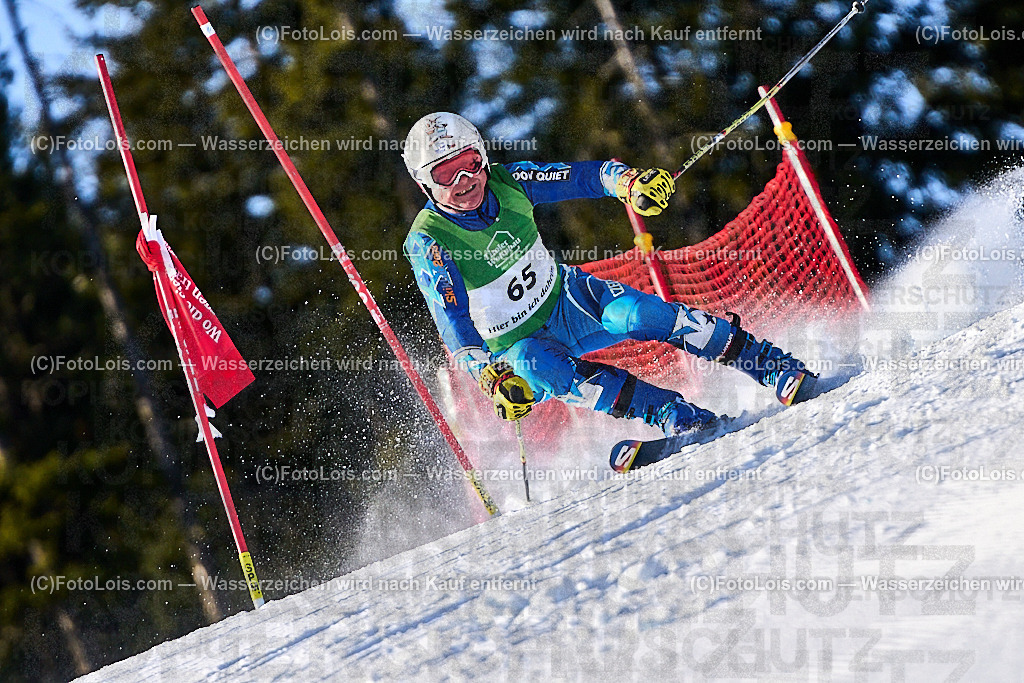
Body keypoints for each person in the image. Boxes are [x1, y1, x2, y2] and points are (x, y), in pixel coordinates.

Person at [401, 112, 815, 440]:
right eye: (446, 174)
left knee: (639, 315)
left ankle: (771, 364)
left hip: (568, 302)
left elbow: (584, 176)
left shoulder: (510, 182)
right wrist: (488, 376)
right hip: (518, 346)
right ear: (424, 185)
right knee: (535, 364)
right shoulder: (429, 240)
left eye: (471, 163)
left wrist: (629, 184)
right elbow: (452, 322)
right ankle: (673, 414)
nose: (466, 180)